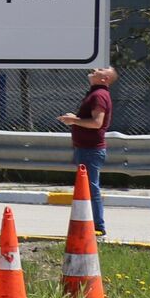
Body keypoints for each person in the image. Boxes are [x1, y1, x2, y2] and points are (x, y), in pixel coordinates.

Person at [57, 66, 115, 236]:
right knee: (87, 188)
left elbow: (97, 123)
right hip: (86, 149)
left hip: (91, 150)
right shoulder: (95, 93)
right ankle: (90, 225)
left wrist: (73, 120)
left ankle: (98, 227)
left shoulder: (98, 95)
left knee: (91, 189)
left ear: (104, 78)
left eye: (101, 69)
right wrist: (74, 119)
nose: (95, 69)